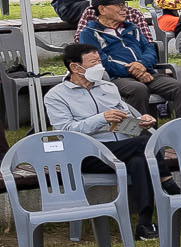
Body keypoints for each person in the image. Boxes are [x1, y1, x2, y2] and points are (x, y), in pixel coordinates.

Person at [43, 39, 156, 235]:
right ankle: (168, 184)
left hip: (123, 148)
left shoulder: (108, 87)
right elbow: (65, 132)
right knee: (145, 144)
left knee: (140, 159)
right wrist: (100, 119)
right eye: (93, 63)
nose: (99, 66)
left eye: (99, 61)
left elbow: (124, 123)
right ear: (75, 67)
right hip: (86, 155)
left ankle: (144, 223)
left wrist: (140, 123)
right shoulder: (56, 96)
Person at [82, 0, 181, 120]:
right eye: (118, 5)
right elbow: (100, 61)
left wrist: (141, 65)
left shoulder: (131, 28)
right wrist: (134, 71)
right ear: (102, 9)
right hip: (116, 78)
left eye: (124, 4)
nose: (124, 8)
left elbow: (149, 49)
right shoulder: (89, 33)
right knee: (138, 89)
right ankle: (142, 135)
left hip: (147, 73)